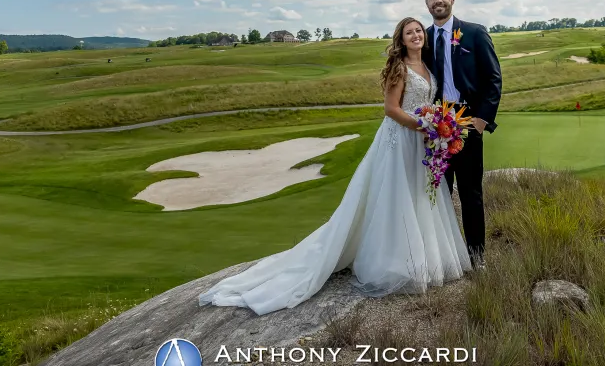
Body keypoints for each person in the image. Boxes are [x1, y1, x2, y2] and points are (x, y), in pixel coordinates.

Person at [198, 17, 471, 316]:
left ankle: (423, 259)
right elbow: (391, 110)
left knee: (420, 196)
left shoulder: (427, 67)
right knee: (395, 198)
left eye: (419, 31)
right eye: (410, 32)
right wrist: (423, 125)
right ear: (401, 40)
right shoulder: (399, 68)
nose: (416, 35)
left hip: (421, 142)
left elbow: (428, 104)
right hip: (400, 140)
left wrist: (435, 125)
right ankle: (393, 262)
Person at [422, 0, 502, 270]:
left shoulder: (474, 33)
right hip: (434, 129)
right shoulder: (425, 39)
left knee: (470, 194)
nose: (438, 1)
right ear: (427, 3)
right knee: (438, 195)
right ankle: (443, 257)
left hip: (467, 123)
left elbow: (493, 80)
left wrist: (480, 122)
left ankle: (476, 257)